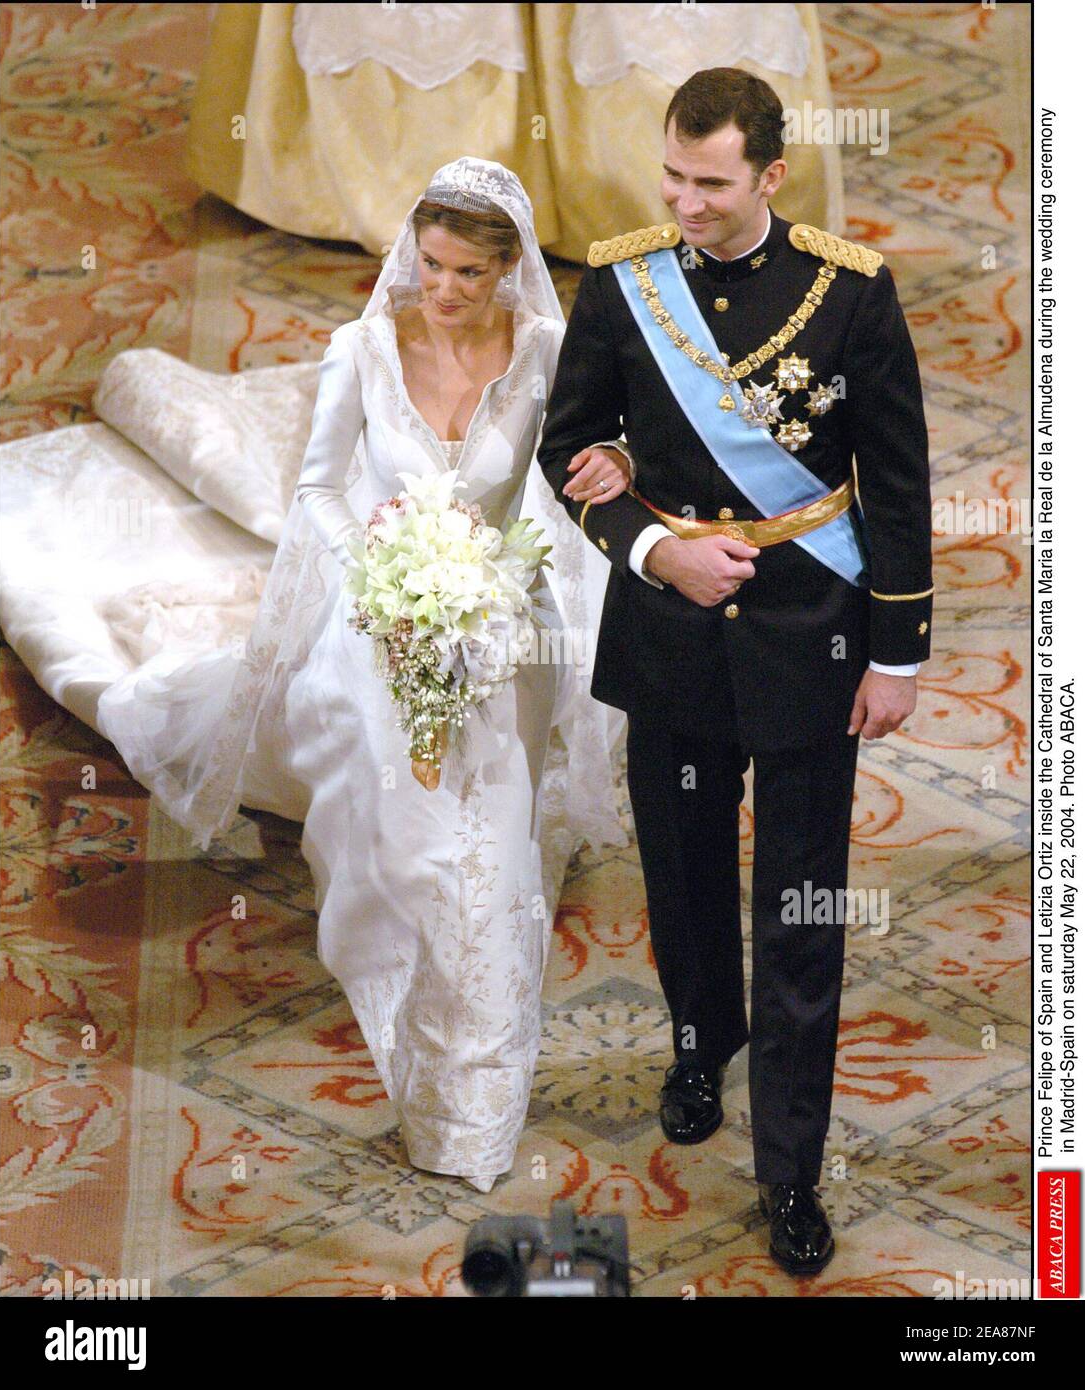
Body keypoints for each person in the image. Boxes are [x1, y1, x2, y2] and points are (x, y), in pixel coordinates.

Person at [95, 157, 635, 1191]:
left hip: (499, 621)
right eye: (429, 263)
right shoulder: (361, 349)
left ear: (507, 270)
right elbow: (317, 494)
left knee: (483, 859)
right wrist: (387, 582)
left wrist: (506, 572)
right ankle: (389, 958)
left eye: (468, 273)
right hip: (379, 611)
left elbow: (565, 487)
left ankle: (466, 1107)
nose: (441, 288)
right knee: (393, 847)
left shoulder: (549, 353)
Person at [537, 69, 933, 1273]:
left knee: (801, 911)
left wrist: (898, 652)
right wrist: (656, 548)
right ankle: (699, 1044)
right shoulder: (618, 283)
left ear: (770, 176)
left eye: (710, 182)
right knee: (685, 869)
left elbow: (899, 478)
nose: (684, 200)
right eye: (672, 174)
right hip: (673, 631)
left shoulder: (850, 295)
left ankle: (792, 1171)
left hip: (812, 627)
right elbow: (566, 449)